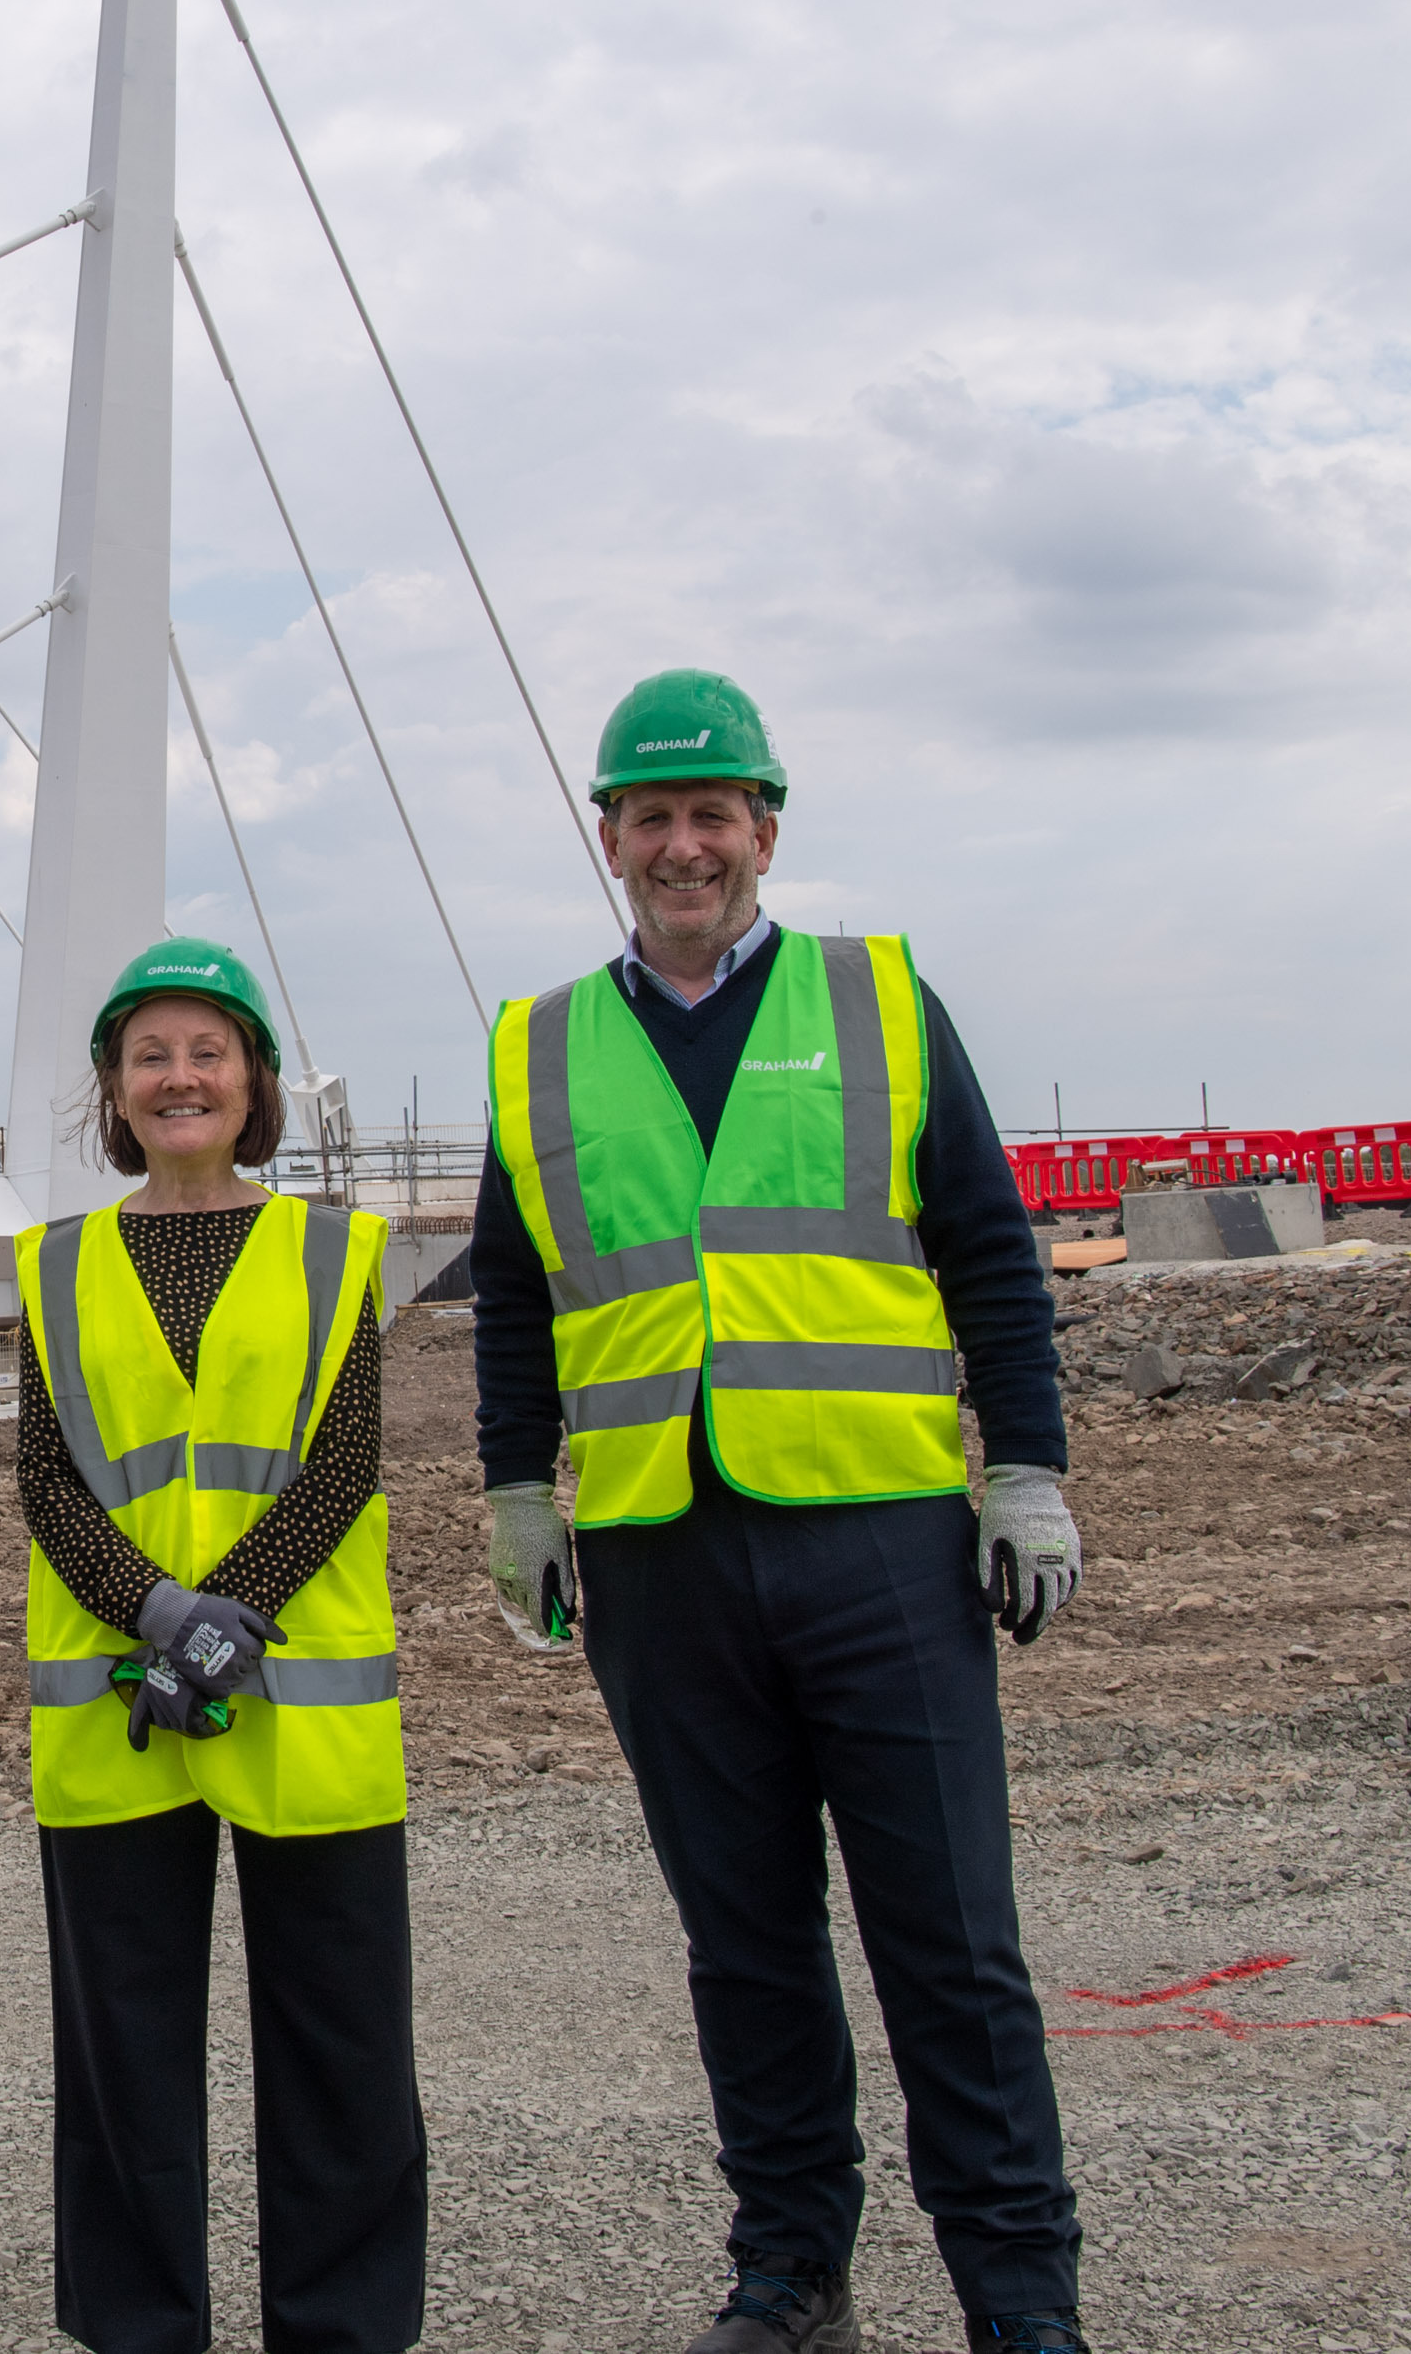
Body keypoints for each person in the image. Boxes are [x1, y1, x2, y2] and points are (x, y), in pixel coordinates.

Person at [467, 673, 1089, 2354]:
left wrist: (1023, 1467)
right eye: (653, 817)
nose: (686, 845)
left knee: (952, 1945)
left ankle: (1020, 2304)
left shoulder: (876, 998)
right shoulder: (539, 1047)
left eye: (714, 814)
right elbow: (517, 1300)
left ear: (766, 829)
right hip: (662, 1550)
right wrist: (518, 1490)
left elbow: (988, 1248)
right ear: (609, 837)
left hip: (880, 1539)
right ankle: (791, 2269)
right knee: (745, 1945)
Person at [13, 939, 423, 2354]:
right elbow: (45, 1480)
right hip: (116, 1701)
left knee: (342, 2052)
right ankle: (140, 2334)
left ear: (254, 1084)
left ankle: (344, 2331)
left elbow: (344, 1456)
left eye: (207, 1053)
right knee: (124, 2059)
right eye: (150, 1058)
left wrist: (222, 1619)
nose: (179, 1079)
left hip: (300, 1700)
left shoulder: (333, 1246)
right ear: (112, 1096)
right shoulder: (57, 1265)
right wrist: (158, 1617)